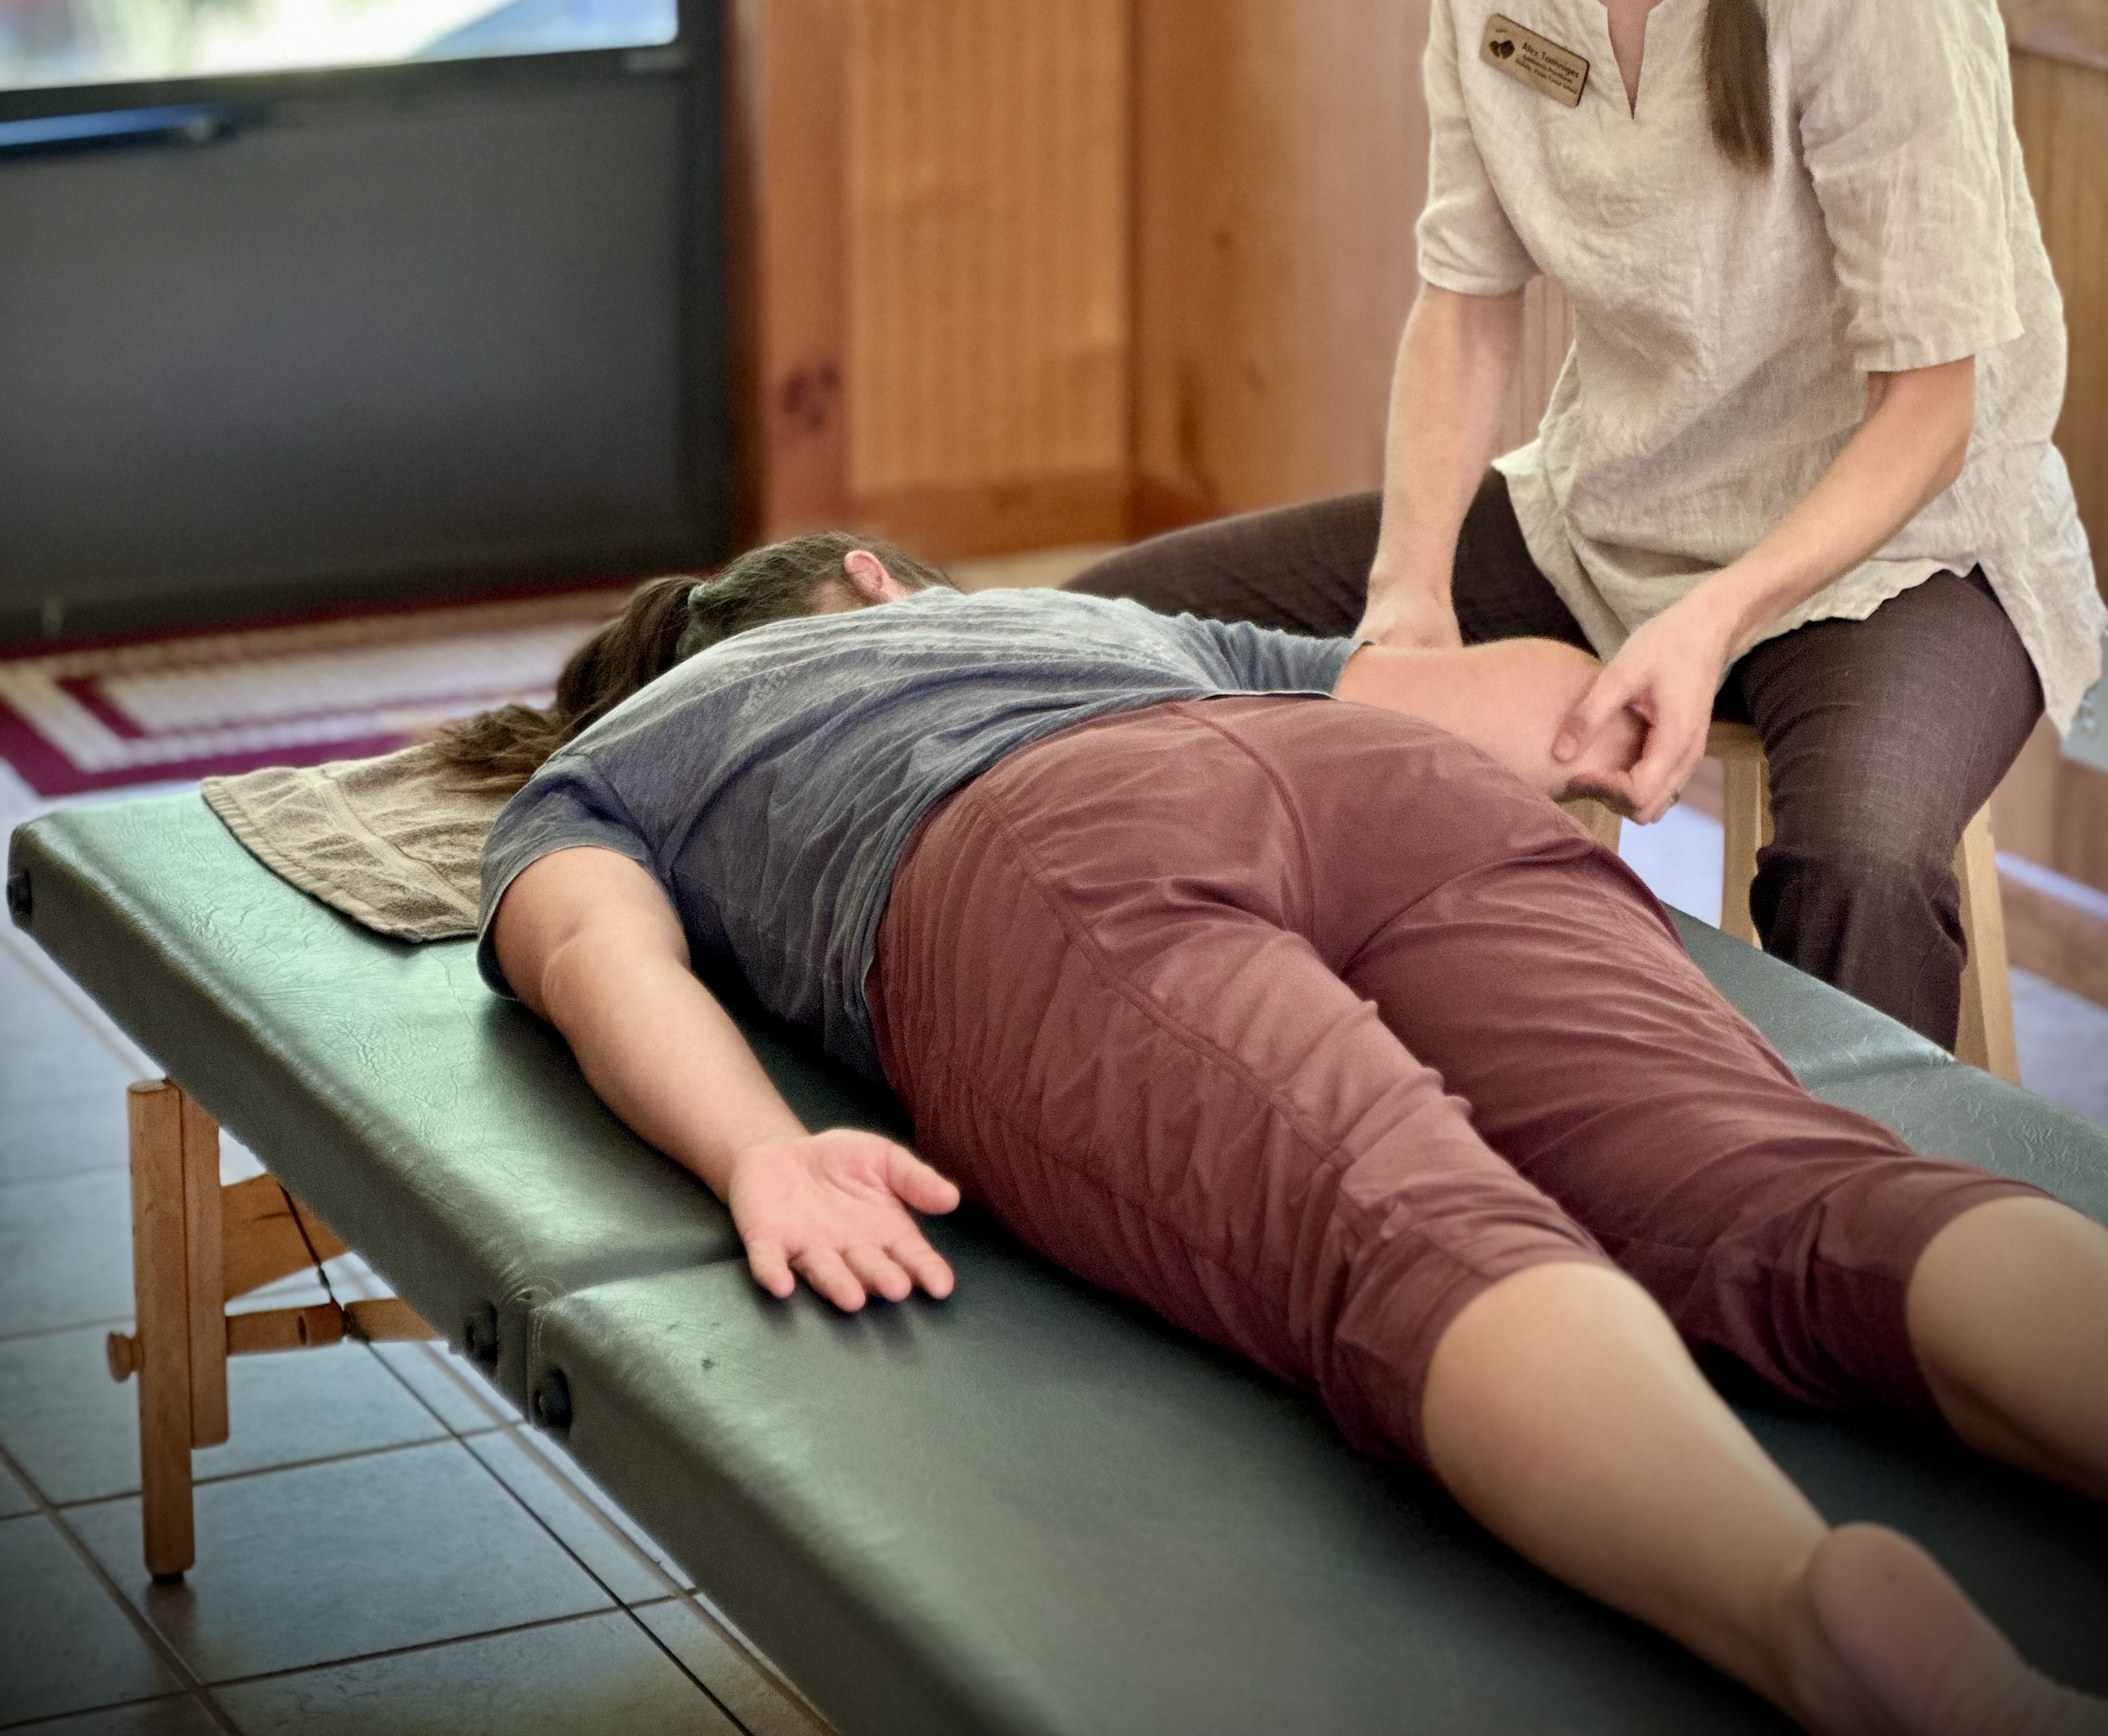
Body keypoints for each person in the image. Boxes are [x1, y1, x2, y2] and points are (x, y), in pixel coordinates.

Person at [461, 533, 2108, 1736]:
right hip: (1377, 779)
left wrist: (763, 1146)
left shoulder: (615, 762)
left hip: (1034, 853)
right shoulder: (1076, 619)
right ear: (880, 577)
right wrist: (1625, 702)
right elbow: (1520, 712)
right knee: (1785, 1182)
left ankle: (1802, 1620)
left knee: (1404, 1230)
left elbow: (597, 949)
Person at [1070, 0, 2104, 1048]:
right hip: (1609, 511)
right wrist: (1409, 596)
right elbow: (1466, 301)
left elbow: (1934, 403)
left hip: (1906, 556)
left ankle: (1842, 1257)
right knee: (1107, 636)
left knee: (1857, 862)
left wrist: (1714, 619)